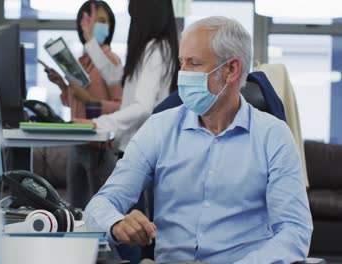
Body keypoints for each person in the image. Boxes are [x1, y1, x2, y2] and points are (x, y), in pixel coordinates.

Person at [85, 16, 313, 263]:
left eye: (193, 63)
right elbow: (100, 205)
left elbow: (294, 231)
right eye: (182, 63)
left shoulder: (274, 136)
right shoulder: (160, 127)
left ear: (231, 69)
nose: (182, 75)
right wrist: (117, 223)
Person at [42, 0, 123, 208]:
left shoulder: (111, 61)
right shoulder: (83, 61)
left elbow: (120, 107)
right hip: (77, 143)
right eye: (93, 21)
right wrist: (63, 86)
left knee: (102, 210)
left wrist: (89, 99)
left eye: (103, 21)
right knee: (74, 209)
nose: (98, 26)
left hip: (99, 147)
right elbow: (76, 106)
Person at [75, 0, 179, 156]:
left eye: (134, 16)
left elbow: (143, 107)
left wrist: (100, 123)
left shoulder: (155, 50)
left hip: (142, 149)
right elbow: (114, 77)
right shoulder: (152, 48)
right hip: (137, 146)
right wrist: (91, 42)